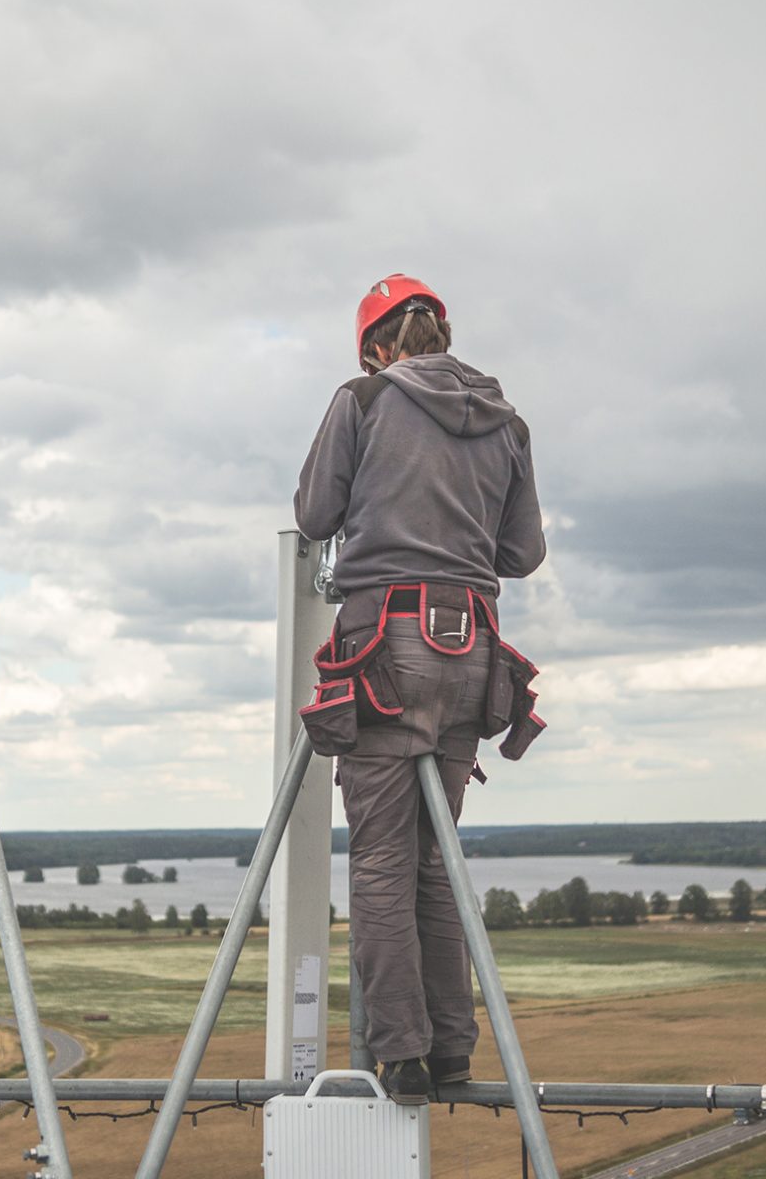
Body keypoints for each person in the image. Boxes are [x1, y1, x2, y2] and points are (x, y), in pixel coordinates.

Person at [294, 274, 545, 1105]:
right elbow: (522, 555)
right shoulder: (507, 422)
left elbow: (315, 512)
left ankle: (398, 1054)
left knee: (383, 860)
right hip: (470, 652)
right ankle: (450, 1052)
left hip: (384, 655)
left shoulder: (363, 400)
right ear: (441, 331)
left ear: (377, 346)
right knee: (436, 862)